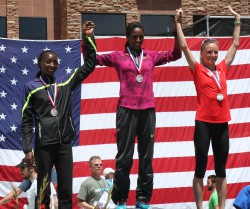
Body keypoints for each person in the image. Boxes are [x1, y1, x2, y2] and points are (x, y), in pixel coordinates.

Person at [82, 20, 181, 209]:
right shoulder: (118, 57)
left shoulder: (150, 56)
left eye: (141, 37)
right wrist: (88, 37)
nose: (137, 40)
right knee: (124, 157)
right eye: (134, 36)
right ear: (127, 37)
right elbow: (92, 59)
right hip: (126, 110)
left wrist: (177, 29)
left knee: (146, 157)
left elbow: (175, 54)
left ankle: (143, 199)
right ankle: (120, 199)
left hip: (147, 110)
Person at [21, 21, 96, 209]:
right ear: (40, 64)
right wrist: (27, 148)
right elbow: (26, 120)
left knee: (65, 189)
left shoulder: (64, 83)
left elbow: (89, 65)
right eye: (48, 61)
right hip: (44, 146)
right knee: (43, 189)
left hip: (64, 144)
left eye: (55, 62)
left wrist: (88, 37)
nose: (52, 65)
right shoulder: (31, 87)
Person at [175, 5, 241, 209]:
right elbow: (184, 47)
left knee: (221, 170)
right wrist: (177, 23)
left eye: (215, 52)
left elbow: (236, 44)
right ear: (202, 53)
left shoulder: (222, 68)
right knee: (200, 168)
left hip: (222, 123)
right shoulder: (197, 69)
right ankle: (200, 207)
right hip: (203, 122)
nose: (213, 55)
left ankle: (221, 207)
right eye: (209, 52)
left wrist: (237, 20)